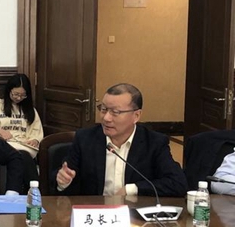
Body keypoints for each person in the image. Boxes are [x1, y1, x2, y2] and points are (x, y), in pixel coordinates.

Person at [55, 83, 187, 197]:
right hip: (96, 212)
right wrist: (63, 182)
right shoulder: (85, 139)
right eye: (103, 109)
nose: (106, 118)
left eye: (115, 112)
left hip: (134, 214)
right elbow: (66, 181)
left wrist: (132, 189)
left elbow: (178, 183)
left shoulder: (154, 142)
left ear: (136, 115)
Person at [0, 73, 43, 191]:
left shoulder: (31, 111)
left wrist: (35, 140)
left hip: (24, 146)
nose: (19, 98)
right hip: (4, 145)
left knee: (22, 155)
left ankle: (20, 192)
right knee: (21, 156)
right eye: (16, 94)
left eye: (23, 95)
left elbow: (37, 132)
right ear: (9, 91)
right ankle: (34, 191)